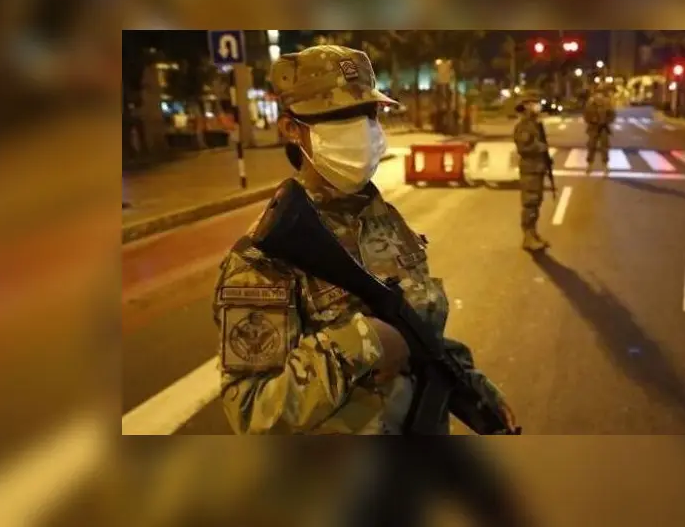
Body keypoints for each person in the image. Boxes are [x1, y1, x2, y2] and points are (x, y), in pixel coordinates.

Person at [212, 44, 517, 435]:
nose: (360, 129)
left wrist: (470, 383)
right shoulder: (262, 259)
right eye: (338, 116)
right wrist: (361, 343)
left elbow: (418, 331)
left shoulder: (385, 221)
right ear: (290, 128)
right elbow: (251, 412)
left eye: (367, 113)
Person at [512, 96, 551, 251]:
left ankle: (533, 233)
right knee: (530, 203)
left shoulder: (535, 125)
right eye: (534, 103)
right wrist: (540, 148)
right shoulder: (524, 126)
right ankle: (527, 237)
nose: (537, 106)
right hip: (530, 169)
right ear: (527, 106)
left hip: (537, 168)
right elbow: (523, 148)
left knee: (536, 203)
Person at [583, 88, 616, 175]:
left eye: (600, 94)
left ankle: (605, 166)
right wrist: (592, 120)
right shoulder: (590, 103)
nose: (599, 96)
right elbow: (586, 115)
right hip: (593, 128)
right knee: (591, 146)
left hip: (603, 128)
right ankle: (589, 165)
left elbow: (612, 115)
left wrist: (606, 121)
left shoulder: (607, 103)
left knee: (604, 147)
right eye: (597, 94)